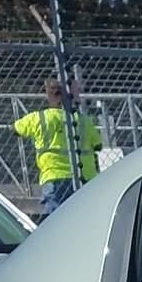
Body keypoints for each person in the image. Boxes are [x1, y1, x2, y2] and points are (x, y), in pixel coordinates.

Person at [14, 80, 102, 216]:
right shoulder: (83, 120)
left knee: (56, 221)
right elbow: (98, 145)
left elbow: (15, 129)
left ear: (49, 95)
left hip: (53, 176)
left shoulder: (38, 118)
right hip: (84, 177)